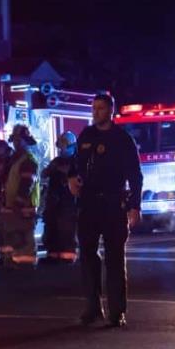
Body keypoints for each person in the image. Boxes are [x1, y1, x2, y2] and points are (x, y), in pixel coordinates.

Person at [68, 93, 143, 328]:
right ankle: (92, 307)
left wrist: (134, 206)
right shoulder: (86, 136)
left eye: (100, 108)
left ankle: (117, 311)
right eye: (94, 108)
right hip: (89, 204)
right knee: (88, 257)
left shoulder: (122, 139)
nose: (95, 112)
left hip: (113, 203)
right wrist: (71, 178)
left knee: (114, 258)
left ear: (111, 111)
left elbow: (135, 175)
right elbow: (74, 164)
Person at [0, 124, 40, 268]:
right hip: (12, 206)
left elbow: (26, 184)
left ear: (26, 141)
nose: (16, 142)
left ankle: (26, 264)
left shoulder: (28, 160)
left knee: (24, 238)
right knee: (12, 235)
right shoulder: (12, 159)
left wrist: (19, 201)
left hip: (24, 207)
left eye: (19, 140)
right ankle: (10, 261)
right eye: (15, 139)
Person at [41, 131, 78, 263]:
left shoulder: (76, 162)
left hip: (68, 203)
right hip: (53, 203)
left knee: (66, 229)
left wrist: (62, 171)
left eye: (64, 145)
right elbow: (44, 174)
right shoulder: (56, 161)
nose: (61, 148)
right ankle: (52, 254)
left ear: (72, 146)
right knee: (51, 228)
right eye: (60, 145)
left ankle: (67, 255)